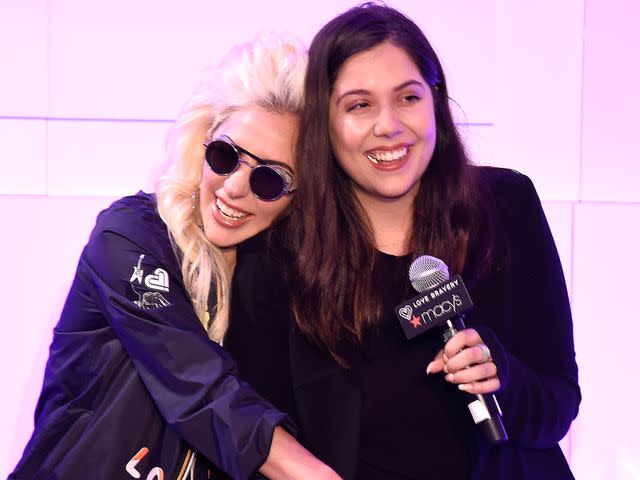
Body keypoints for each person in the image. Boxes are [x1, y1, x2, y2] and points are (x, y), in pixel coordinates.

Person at [225, 4, 581, 479]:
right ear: (324, 123)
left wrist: (503, 375)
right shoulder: (279, 254)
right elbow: (261, 434)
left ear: (436, 100)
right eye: (359, 105)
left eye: (408, 98)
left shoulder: (506, 206)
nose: (388, 125)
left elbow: (557, 407)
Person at [10, 35, 339, 480]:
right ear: (203, 142)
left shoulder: (275, 276)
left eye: (269, 180)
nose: (234, 188)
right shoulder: (129, 236)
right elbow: (198, 385)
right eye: (225, 156)